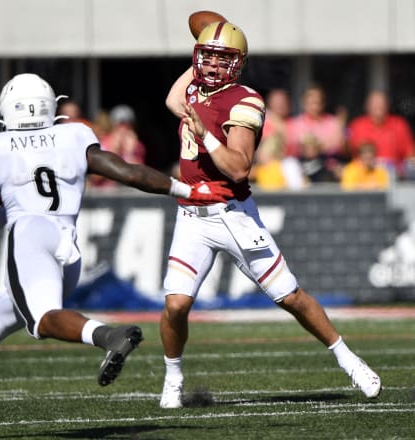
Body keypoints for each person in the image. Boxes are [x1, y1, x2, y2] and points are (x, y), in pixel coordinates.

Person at [0, 73, 234, 422]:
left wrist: (7, 197)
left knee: (43, 319)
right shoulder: (73, 135)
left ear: (7, 110)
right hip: (67, 245)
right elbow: (129, 173)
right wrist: (186, 190)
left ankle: (108, 335)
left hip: (30, 233)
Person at [159, 22, 381, 409]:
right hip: (192, 216)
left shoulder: (245, 100)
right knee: (175, 305)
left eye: (221, 58)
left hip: (232, 215)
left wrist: (206, 134)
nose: (211, 65)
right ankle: (172, 379)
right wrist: (208, 38)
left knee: (290, 297)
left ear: (238, 64)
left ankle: (349, 360)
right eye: (205, 56)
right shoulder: (194, 88)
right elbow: (173, 99)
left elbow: (239, 167)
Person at [346, 90, 415, 180]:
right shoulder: (357, 125)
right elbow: (347, 152)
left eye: (382, 103)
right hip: (363, 177)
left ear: (387, 106)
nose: (379, 106)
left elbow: (410, 154)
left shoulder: (399, 125)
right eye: (375, 103)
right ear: (367, 106)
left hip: (394, 177)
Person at [285, 84, 347, 176]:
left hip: (330, 169)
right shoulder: (295, 124)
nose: (315, 106)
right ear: (304, 103)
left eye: (318, 102)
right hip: (302, 169)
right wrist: (323, 145)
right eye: (311, 102)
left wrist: (314, 146)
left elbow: (340, 146)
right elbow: (292, 149)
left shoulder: (333, 122)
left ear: (323, 103)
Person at [90, 104, 147, 188]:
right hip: (104, 194)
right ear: (113, 124)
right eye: (120, 124)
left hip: (130, 193)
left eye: (128, 124)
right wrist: (114, 151)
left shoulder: (137, 145)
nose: (124, 128)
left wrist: (129, 153)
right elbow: (95, 178)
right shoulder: (102, 143)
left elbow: (141, 177)